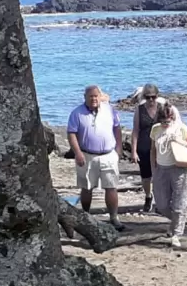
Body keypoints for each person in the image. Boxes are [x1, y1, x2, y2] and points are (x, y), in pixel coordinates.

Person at [67, 84, 125, 231]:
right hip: (87, 155)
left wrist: (118, 149)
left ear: (100, 97)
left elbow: (117, 128)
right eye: (90, 96)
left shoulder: (109, 110)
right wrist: (78, 153)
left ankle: (114, 217)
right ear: (85, 97)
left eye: (96, 96)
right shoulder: (77, 113)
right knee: (87, 187)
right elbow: (71, 133)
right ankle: (86, 216)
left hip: (108, 155)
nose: (93, 99)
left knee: (111, 187)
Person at [150, 104, 187, 248]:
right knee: (161, 204)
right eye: (163, 122)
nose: (165, 124)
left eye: (168, 122)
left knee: (179, 204)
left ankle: (176, 234)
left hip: (178, 169)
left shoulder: (181, 128)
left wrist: (179, 141)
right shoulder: (156, 129)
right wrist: (153, 169)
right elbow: (153, 150)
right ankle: (176, 222)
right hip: (161, 169)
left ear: (172, 118)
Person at [129, 84, 168, 212]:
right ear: (144, 97)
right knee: (146, 176)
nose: (151, 100)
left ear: (157, 96)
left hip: (159, 146)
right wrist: (133, 151)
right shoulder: (139, 110)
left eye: (153, 97)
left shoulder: (162, 108)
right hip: (144, 145)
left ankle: (160, 201)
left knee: (160, 174)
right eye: (148, 97)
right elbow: (135, 130)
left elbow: (170, 124)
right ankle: (148, 196)